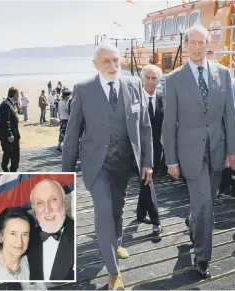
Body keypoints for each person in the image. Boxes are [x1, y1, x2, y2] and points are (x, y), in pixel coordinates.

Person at [62, 42, 153, 290]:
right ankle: (114, 272)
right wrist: (65, 177)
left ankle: (117, 242)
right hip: (96, 164)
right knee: (103, 211)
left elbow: (144, 126)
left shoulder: (134, 85)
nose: (113, 66)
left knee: (117, 207)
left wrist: (148, 162)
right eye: (107, 62)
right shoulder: (83, 90)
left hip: (124, 162)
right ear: (95, 65)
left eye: (116, 60)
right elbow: (72, 135)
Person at [162, 24, 235, 279]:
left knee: (206, 202)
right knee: (205, 204)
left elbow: (230, 114)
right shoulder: (173, 80)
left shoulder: (223, 73)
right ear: (185, 45)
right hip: (190, 154)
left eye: (201, 43)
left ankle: (193, 220)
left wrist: (232, 150)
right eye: (191, 43)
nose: (196, 48)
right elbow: (169, 124)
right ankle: (202, 258)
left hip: (217, 151)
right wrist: (171, 160)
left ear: (209, 45)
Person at [27, 179, 75, 280]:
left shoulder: (76, 233)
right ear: (34, 207)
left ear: (65, 201)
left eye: (53, 200)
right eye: (40, 203)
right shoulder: (26, 239)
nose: (47, 210)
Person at [136, 64, 163, 236]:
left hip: (157, 148)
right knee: (148, 180)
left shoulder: (162, 96)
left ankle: (140, 213)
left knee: (144, 181)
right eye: (148, 78)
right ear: (142, 78)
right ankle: (156, 221)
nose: (151, 82)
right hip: (139, 149)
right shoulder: (134, 98)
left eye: (155, 78)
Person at [0, 207, 34, 281]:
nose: (20, 242)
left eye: (24, 234)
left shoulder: (30, 264)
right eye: (13, 233)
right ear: (0, 236)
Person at [0, 87, 21, 172]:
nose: (19, 96)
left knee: (16, 154)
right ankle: (4, 167)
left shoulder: (13, 103)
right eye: (18, 94)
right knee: (8, 153)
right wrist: (9, 134)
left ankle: (13, 171)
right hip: (7, 135)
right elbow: (5, 121)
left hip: (15, 134)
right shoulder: (5, 104)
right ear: (14, 94)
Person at [56, 88, 72, 152]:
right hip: (66, 119)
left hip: (62, 119)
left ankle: (59, 146)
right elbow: (69, 111)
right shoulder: (66, 103)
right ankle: (63, 146)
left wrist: (59, 117)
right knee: (66, 134)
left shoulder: (60, 102)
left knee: (62, 133)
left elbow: (58, 111)